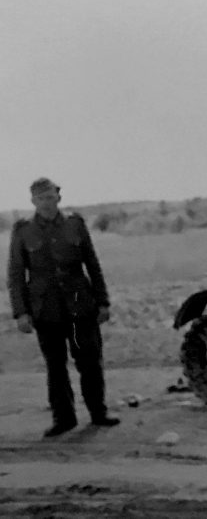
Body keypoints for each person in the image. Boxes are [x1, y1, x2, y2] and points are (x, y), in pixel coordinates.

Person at [7, 178, 120, 437]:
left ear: (59, 197)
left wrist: (102, 301)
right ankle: (63, 419)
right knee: (55, 367)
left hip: (81, 306)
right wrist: (21, 312)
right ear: (33, 201)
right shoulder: (24, 231)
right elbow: (15, 275)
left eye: (51, 197)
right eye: (41, 198)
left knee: (89, 363)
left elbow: (92, 264)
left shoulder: (75, 225)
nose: (47, 203)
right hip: (46, 310)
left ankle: (98, 413)